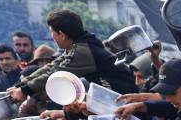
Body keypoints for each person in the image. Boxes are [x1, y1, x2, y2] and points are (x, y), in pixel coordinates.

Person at [8, 9, 138, 102]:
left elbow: (56, 74)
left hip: (126, 96)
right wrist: (20, 85)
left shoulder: (83, 52)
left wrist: (25, 91)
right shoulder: (79, 46)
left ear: (62, 34)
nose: (52, 38)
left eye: (52, 34)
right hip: (113, 96)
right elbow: (51, 67)